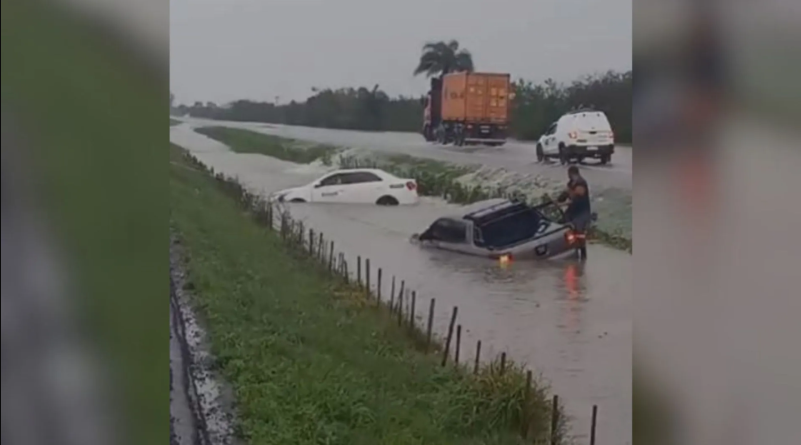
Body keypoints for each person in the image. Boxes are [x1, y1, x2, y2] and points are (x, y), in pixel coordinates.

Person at [557, 165, 592, 232]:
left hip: (581, 212)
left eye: (569, 174)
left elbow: (577, 198)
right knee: (562, 223)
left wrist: (562, 204)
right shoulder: (570, 183)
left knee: (577, 229)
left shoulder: (581, 183)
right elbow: (565, 194)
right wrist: (558, 200)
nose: (568, 176)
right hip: (572, 211)